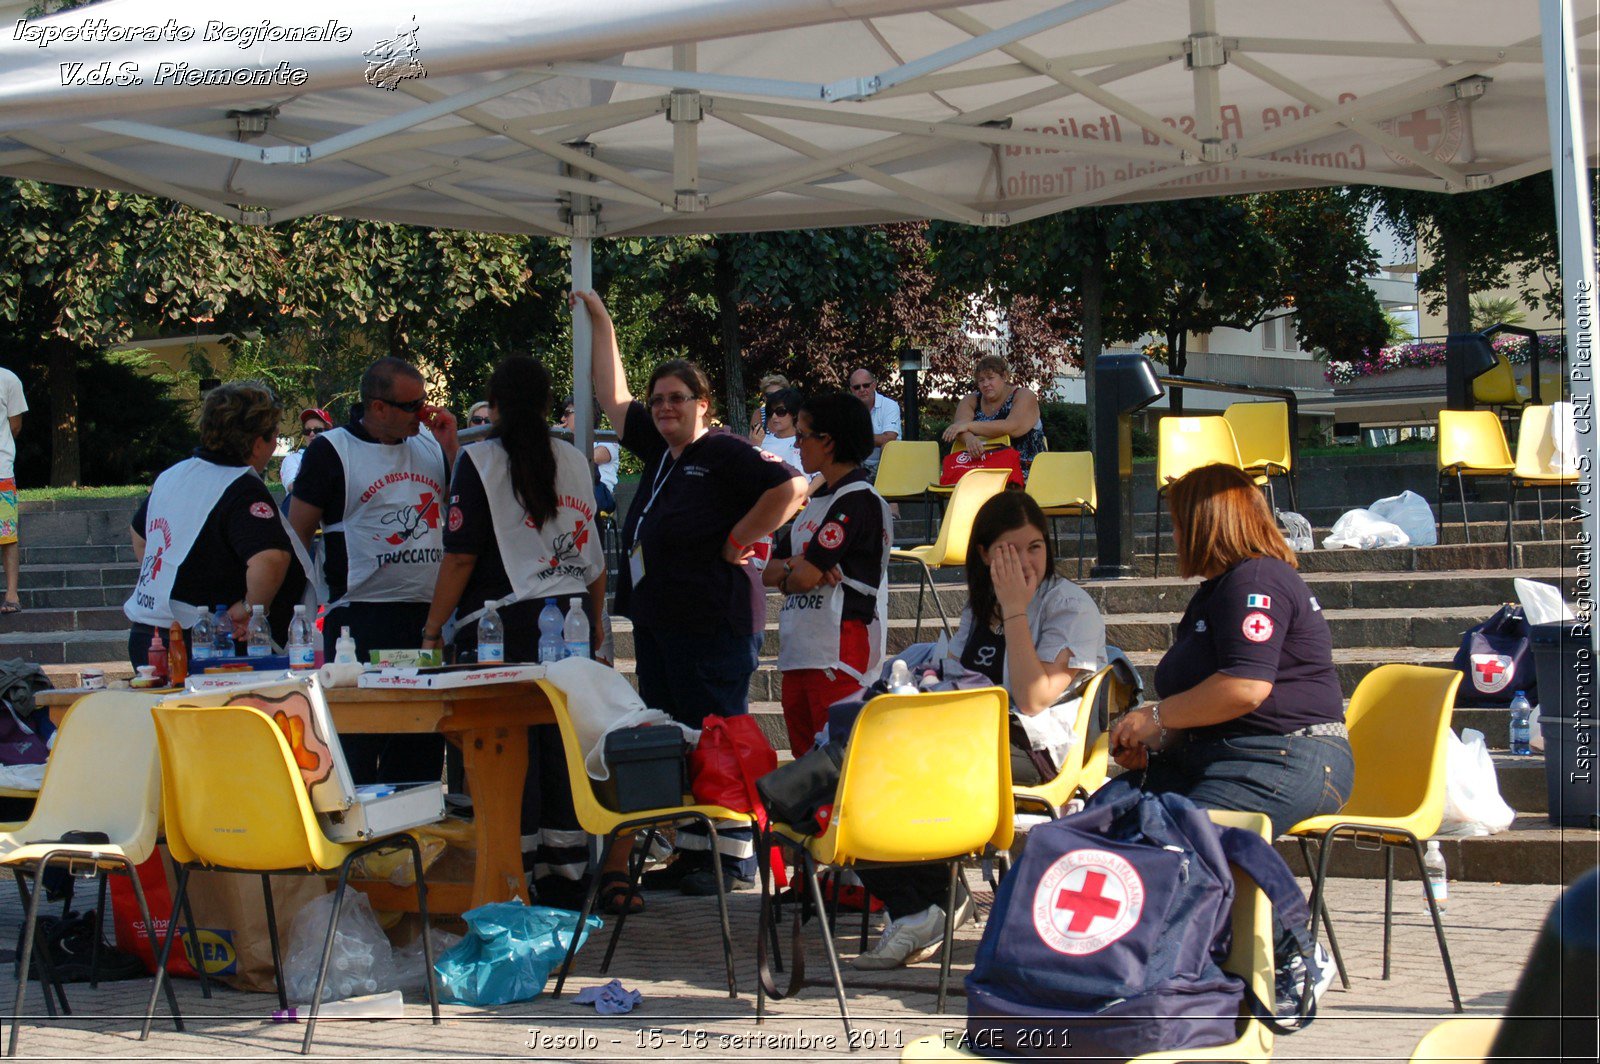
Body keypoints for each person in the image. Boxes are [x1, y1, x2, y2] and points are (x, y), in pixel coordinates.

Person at [574, 289, 807, 895]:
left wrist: (740, 538)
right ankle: (692, 848)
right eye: (658, 401)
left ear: (703, 404)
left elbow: (792, 486)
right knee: (676, 730)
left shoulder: (723, 450)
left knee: (719, 734)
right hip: (660, 619)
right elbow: (611, 396)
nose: (663, 408)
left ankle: (732, 857)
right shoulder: (659, 448)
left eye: (677, 399)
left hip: (713, 620)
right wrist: (603, 320)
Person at [1106, 462, 1352, 1014]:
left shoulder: (1257, 580)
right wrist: (1158, 736)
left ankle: (1292, 952)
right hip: (1229, 754)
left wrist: (1158, 716)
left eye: (1176, 523)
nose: (1172, 537)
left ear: (1204, 523)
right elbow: (1212, 704)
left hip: (1293, 753)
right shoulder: (1218, 591)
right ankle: (1146, 960)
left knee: (1195, 833)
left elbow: (1245, 687)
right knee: (1114, 817)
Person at [853, 490, 1105, 971]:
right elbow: (952, 681)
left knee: (882, 765)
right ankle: (924, 904)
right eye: (1012, 549)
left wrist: (1015, 610)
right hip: (964, 741)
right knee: (860, 760)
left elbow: (1033, 697)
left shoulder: (1069, 606)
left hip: (1032, 750)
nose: (1028, 560)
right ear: (987, 554)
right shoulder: (977, 609)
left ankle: (927, 904)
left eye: (1036, 547)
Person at [420, 357, 612, 911]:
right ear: (550, 406)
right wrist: (596, 630)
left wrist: (432, 628)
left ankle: (510, 874)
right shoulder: (575, 460)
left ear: (494, 406)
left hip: (501, 627)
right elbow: (593, 561)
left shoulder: (481, 462)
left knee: (502, 751)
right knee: (559, 750)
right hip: (569, 618)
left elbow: (460, 558)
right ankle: (569, 873)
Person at [289, 356, 458, 782]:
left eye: (426, 402)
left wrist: (451, 449)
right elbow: (297, 534)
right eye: (411, 406)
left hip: (425, 617)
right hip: (359, 617)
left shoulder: (429, 443)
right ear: (377, 407)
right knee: (358, 748)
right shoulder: (332, 450)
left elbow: (458, 514)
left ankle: (416, 836)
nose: (423, 414)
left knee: (419, 746)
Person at [124, 381, 314, 665]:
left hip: (147, 631)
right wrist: (249, 607)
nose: (275, 442)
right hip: (206, 640)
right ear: (256, 441)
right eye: (274, 434)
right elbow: (270, 558)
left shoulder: (172, 475)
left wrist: (164, 580)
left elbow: (140, 534)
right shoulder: (240, 487)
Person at [764, 392, 890, 757]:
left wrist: (796, 572)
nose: (797, 443)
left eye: (803, 435)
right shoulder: (814, 504)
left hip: (839, 651)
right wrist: (797, 567)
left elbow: (802, 578)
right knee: (805, 766)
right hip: (798, 651)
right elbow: (769, 572)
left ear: (828, 442)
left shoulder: (859, 500)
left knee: (836, 765)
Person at [941, 354, 1046, 469]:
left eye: (990, 378)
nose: (986, 384)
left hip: (1025, 469)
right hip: (982, 467)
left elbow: (1013, 427)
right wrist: (969, 439)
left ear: (1005, 376)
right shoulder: (971, 400)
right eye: (981, 380)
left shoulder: (1024, 395)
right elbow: (958, 428)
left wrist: (968, 426)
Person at [558, 396, 621, 516]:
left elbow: (590, 458)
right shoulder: (563, 444)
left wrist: (557, 445)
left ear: (583, 415)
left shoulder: (605, 440)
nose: (562, 419)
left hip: (598, 494)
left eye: (567, 414)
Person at [0, 365, 27, 615]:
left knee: (7, 535)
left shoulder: (8, 379)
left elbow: (15, 427)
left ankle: (11, 593)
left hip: (1, 470)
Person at [848, 367, 901, 471]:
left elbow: (889, 439)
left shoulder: (889, 405)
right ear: (852, 390)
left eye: (866, 385)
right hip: (858, 464)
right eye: (857, 387)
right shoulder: (847, 408)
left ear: (874, 385)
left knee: (887, 446)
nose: (862, 390)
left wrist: (856, 437)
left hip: (888, 465)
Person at [277, 407, 332, 497]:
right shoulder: (293, 459)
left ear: (329, 432)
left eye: (317, 430)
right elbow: (293, 487)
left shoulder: (338, 458)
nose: (311, 434)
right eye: (307, 431)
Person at [755, 388, 804, 474]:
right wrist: (755, 445)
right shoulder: (761, 440)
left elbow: (820, 472)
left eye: (780, 411)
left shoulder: (805, 441)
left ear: (794, 413)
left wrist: (809, 488)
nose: (774, 416)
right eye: (771, 412)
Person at [748, 372, 791, 445]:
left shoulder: (792, 413)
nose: (774, 398)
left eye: (778, 394)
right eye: (769, 395)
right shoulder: (759, 414)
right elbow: (752, 442)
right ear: (764, 397)